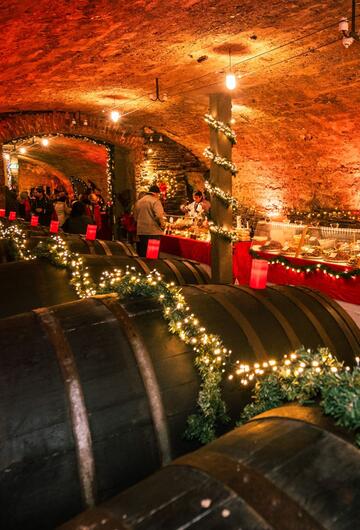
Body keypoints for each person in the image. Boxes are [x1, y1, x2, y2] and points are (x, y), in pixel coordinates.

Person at [133, 184, 165, 257]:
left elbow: (135, 217)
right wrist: (162, 225)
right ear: (156, 193)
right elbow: (159, 215)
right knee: (152, 255)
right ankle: (152, 268)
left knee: (143, 255)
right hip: (153, 232)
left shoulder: (139, 201)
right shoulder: (155, 201)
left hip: (141, 231)